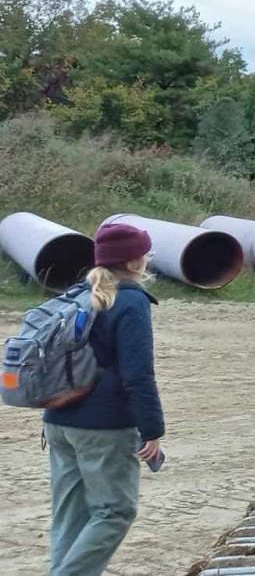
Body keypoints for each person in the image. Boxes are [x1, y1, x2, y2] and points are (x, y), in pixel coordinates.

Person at [42, 222, 165, 576]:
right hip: (104, 426)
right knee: (115, 511)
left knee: (71, 514)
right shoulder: (130, 301)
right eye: (145, 254)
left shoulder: (76, 294)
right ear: (133, 262)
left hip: (58, 421)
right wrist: (152, 428)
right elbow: (138, 374)